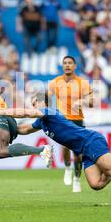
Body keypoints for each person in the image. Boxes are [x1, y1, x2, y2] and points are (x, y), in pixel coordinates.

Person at [48, 55, 93, 192]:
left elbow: (91, 101)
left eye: (70, 63)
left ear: (75, 66)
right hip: (62, 119)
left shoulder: (82, 83)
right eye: (65, 63)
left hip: (77, 119)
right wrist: (35, 98)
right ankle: (67, 168)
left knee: (78, 153)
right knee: (65, 146)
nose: (67, 65)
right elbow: (46, 96)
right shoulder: (56, 82)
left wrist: (83, 101)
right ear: (62, 66)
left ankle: (77, 179)